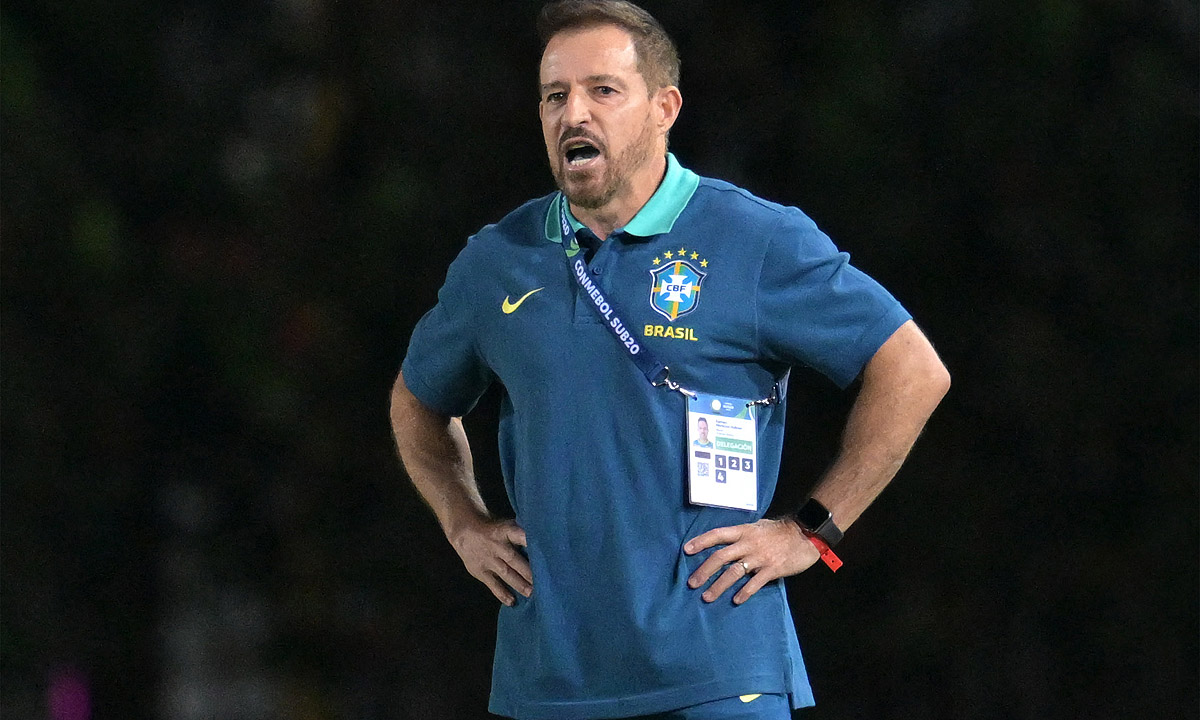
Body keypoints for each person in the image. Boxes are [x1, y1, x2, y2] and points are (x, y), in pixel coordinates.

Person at [389, 1, 950, 718]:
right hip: (549, 683)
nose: (573, 115)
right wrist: (462, 521)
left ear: (664, 107)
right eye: (554, 96)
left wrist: (812, 532)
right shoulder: (498, 261)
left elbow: (911, 369)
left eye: (602, 90)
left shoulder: (754, 238)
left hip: (720, 671)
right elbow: (418, 401)